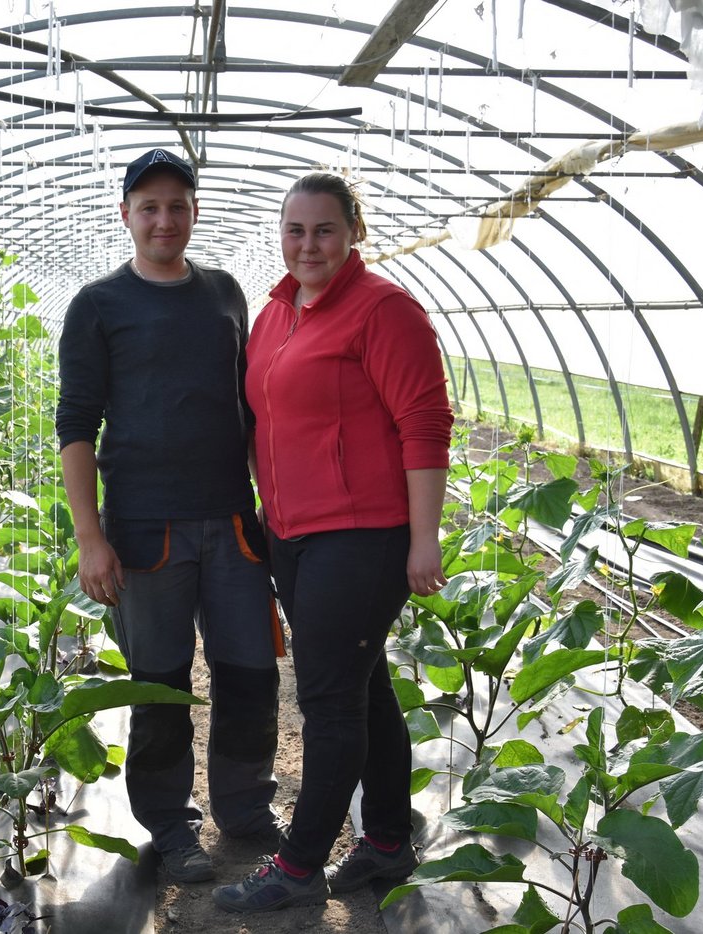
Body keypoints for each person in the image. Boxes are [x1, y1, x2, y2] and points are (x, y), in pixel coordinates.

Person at [213, 172, 453, 913]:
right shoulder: (275, 313)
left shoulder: (384, 310)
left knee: (329, 704)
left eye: (324, 230)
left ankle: (300, 864)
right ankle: (386, 842)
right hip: (293, 534)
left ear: (354, 232)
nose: (308, 245)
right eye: (295, 230)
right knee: (364, 687)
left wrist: (424, 539)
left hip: (362, 537)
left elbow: (424, 425)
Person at [54, 148, 283, 884]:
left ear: (194, 212)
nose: (164, 220)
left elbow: (251, 409)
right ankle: (172, 825)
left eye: (177, 205)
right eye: (149, 207)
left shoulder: (224, 294)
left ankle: (244, 808)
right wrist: (90, 538)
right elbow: (76, 425)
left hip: (232, 523)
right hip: (144, 530)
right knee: (160, 686)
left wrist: (271, 504)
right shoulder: (99, 305)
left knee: (250, 673)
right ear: (126, 215)